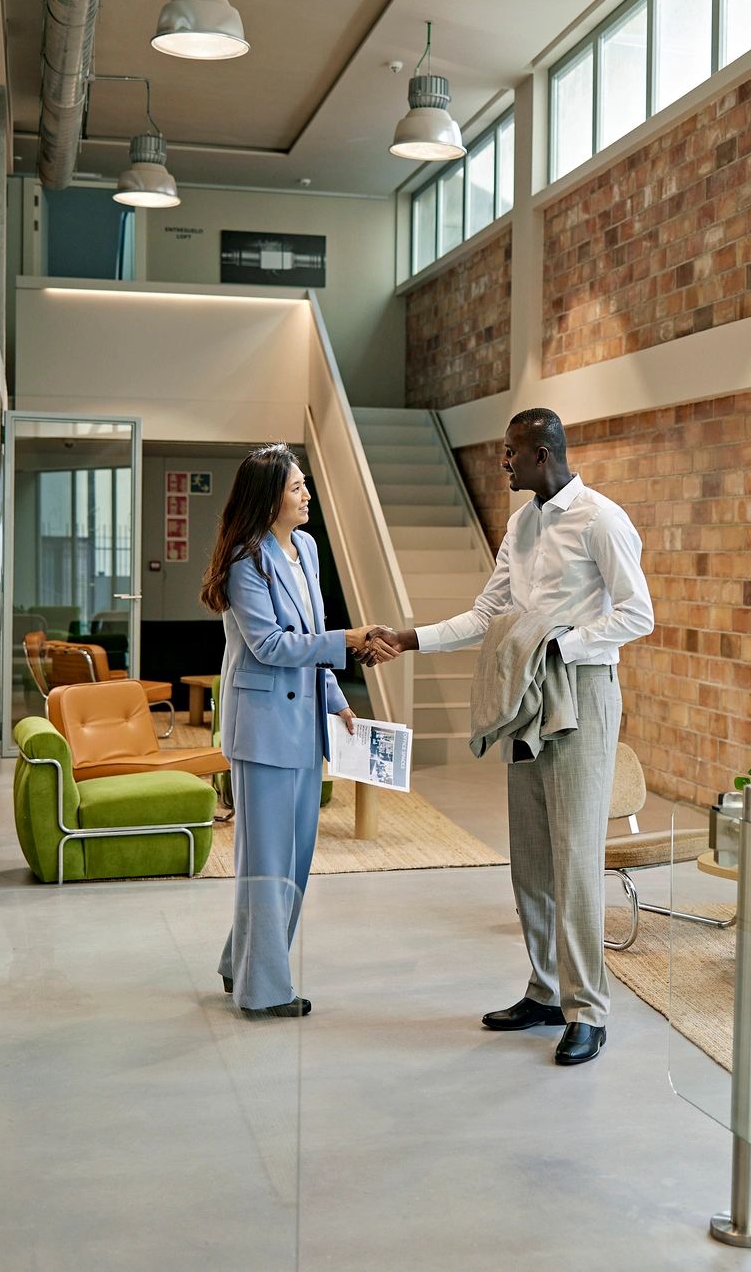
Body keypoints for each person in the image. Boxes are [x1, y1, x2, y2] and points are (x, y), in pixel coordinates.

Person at [370, 409, 652, 1065]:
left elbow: (638, 612)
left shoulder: (601, 519)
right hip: (526, 698)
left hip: (581, 692)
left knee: (576, 856)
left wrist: (562, 644)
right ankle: (546, 990)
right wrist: (408, 639)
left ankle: (589, 1011)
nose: (504, 463)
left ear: (543, 454)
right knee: (530, 851)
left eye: (511, 453)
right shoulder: (521, 525)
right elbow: (487, 612)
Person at [203, 443, 397, 1017]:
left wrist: (337, 701)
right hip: (262, 729)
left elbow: (308, 632)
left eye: (305, 484)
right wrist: (349, 640)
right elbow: (268, 645)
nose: (306, 494)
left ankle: (240, 964)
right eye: (296, 487)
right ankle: (264, 991)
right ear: (268, 499)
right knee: (266, 861)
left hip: (305, 723)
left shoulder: (306, 549)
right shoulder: (245, 561)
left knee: (295, 858)